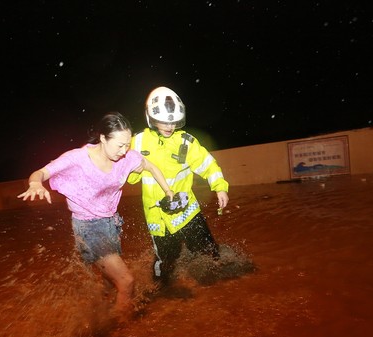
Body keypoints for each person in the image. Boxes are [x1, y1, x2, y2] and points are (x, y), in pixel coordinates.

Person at [17, 112, 174, 320]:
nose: (124, 150)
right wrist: (35, 183)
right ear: (102, 138)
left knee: (111, 281)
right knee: (126, 281)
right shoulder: (78, 159)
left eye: (127, 144)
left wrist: (168, 191)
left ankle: (98, 312)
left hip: (112, 223)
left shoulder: (127, 158)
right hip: (88, 227)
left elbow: (151, 167)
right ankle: (117, 325)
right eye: (119, 145)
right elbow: (41, 173)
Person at [127, 86, 229, 285]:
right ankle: (160, 291)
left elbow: (208, 164)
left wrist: (220, 187)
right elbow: (128, 178)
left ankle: (219, 289)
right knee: (166, 262)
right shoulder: (137, 143)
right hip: (159, 219)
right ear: (151, 118)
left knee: (210, 253)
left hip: (188, 211)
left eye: (173, 122)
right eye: (164, 122)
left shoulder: (186, 143)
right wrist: (133, 170)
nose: (169, 126)